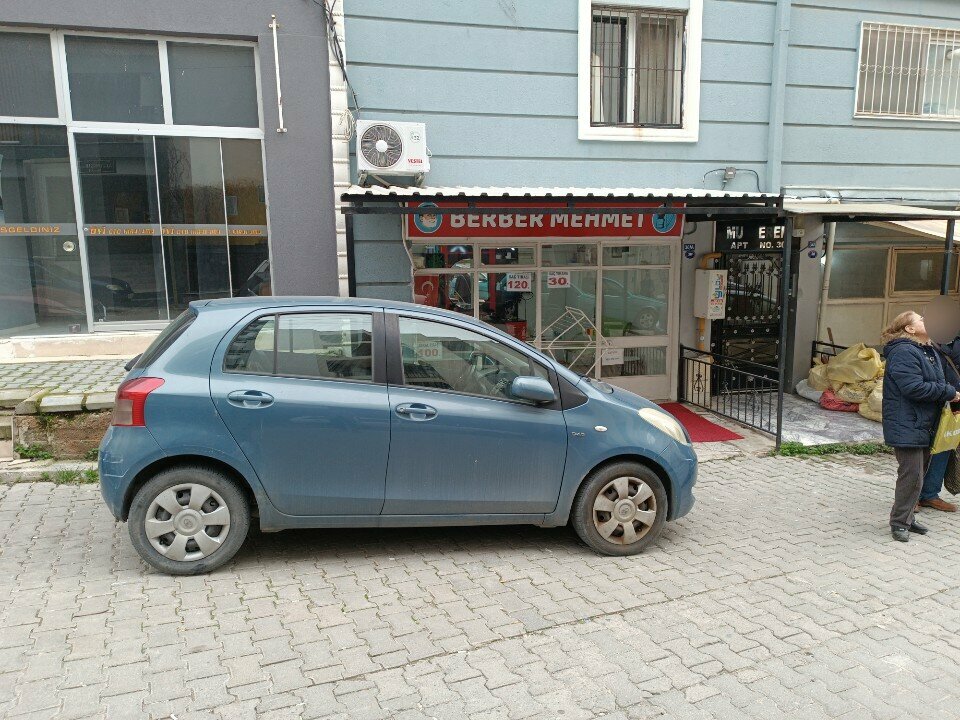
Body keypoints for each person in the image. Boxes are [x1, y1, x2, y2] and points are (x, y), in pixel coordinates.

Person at [881, 311, 960, 542]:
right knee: (912, 474)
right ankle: (899, 523)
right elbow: (914, 387)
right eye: (922, 320)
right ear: (909, 329)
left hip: (923, 423)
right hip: (907, 423)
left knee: (919, 473)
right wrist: (949, 393)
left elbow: (938, 381)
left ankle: (907, 518)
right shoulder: (904, 351)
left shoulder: (928, 350)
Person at [921, 336, 960, 512]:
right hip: (931, 398)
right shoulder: (922, 340)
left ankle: (930, 494)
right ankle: (911, 497)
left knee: (945, 444)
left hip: (955, 399)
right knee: (920, 449)